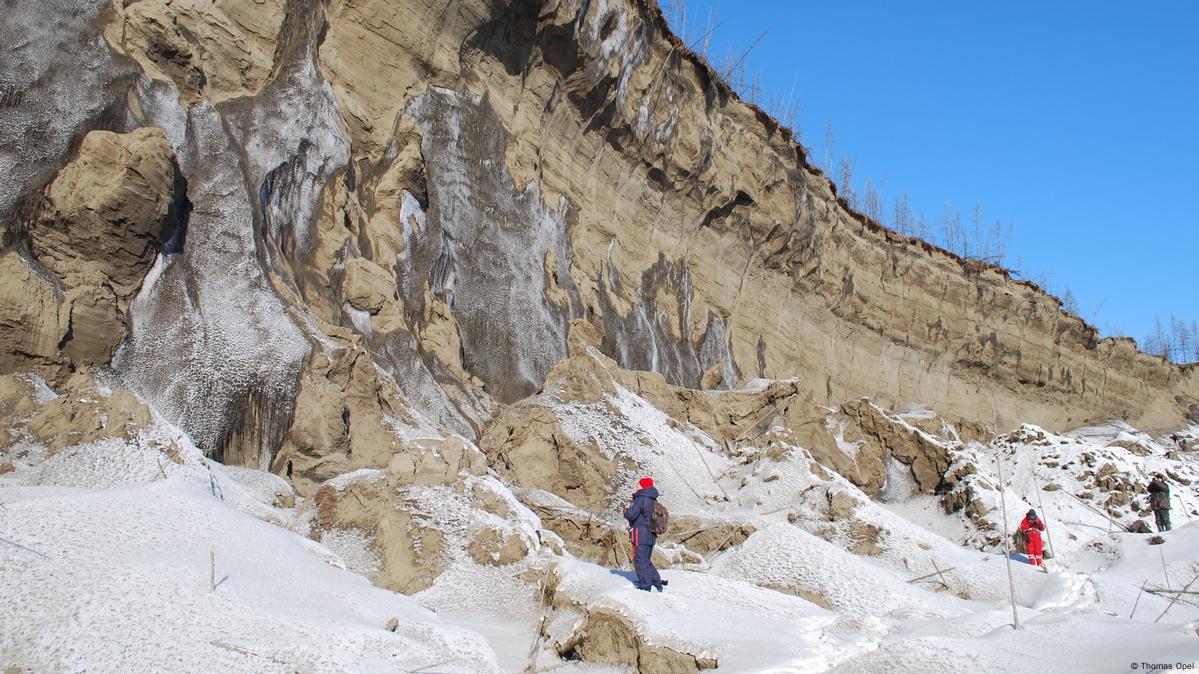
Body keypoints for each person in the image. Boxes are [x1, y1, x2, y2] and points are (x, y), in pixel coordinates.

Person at [623, 477, 665, 592]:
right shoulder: (653, 500)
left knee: (640, 560)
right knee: (645, 560)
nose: (636, 486)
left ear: (643, 486)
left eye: (638, 485)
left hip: (640, 534)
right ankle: (657, 583)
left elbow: (631, 515)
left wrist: (626, 510)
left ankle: (645, 586)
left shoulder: (641, 498)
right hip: (651, 535)